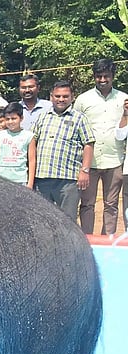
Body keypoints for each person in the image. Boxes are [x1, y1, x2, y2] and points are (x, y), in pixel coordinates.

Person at [74, 59, 126, 235]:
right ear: (94, 77)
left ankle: (108, 239)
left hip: (115, 159)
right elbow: (76, 129)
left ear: (113, 77)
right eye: (99, 76)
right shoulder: (83, 100)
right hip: (90, 162)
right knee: (87, 204)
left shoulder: (123, 99)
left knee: (111, 204)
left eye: (106, 76)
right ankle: (87, 238)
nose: (102, 80)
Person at [33, 80, 94, 219]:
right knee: (42, 219)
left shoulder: (80, 118)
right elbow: (32, 143)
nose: (61, 99)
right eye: (57, 96)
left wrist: (85, 171)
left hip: (68, 180)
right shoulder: (43, 117)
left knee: (67, 220)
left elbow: (89, 145)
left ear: (72, 97)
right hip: (42, 177)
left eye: (65, 96)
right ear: (51, 97)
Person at [0, 102, 35, 187]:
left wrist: (30, 183)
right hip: (2, 179)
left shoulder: (29, 136)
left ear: (21, 118)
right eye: (7, 119)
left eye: (14, 118)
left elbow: (32, 161)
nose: (10, 122)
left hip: (20, 180)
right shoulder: (0, 135)